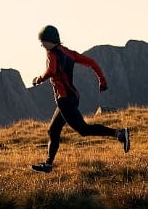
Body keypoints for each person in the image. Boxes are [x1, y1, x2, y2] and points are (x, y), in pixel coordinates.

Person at [31, 25, 129, 173]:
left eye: (43, 41)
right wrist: (102, 80)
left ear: (50, 40)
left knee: (83, 130)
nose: (41, 44)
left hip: (65, 100)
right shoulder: (68, 53)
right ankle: (48, 165)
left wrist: (38, 79)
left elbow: (51, 71)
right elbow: (92, 62)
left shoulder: (52, 53)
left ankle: (119, 133)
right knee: (53, 130)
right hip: (71, 97)